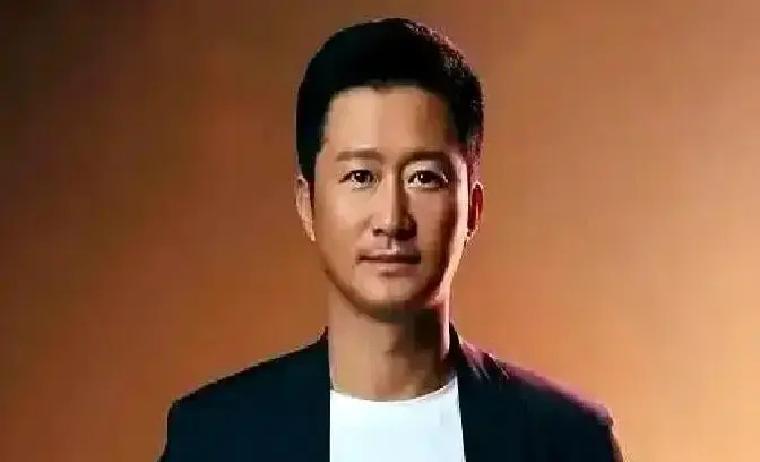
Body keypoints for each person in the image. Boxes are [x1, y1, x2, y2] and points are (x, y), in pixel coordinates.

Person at [158, 17, 623, 462]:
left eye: (424, 177)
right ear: (307, 204)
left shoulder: (567, 442)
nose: (392, 218)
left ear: (472, 209)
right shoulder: (215, 439)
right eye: (361, 176)